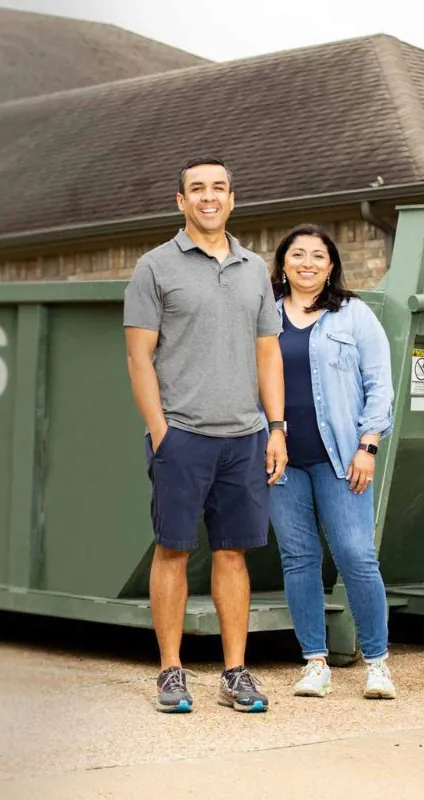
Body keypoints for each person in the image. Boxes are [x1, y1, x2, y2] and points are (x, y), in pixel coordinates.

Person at [123, 157, 288, 714]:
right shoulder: (154, 267)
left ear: (232, 199)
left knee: (233, 555)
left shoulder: (253, 269)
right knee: (172, 551)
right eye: (197, 189)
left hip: (244, 437)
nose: (208, 197)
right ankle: (171, 673)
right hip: (183, 436)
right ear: (181, 200)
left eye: (218, 188)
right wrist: (161, 431)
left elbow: (269, 354)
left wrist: (276, 427)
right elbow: (139, 357)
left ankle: (235, 673)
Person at [265, 223, 397, 700]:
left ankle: (378, 664)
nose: (307, 263)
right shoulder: (264, 317)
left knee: (356, 555)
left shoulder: (354, 315)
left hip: (343, 458)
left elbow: (381, 383)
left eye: (318, 256)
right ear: (283, 263)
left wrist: (370, 444)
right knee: (298, 559)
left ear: (331, 266)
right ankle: (315, 662)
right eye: (297, 254)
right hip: (280, 460)